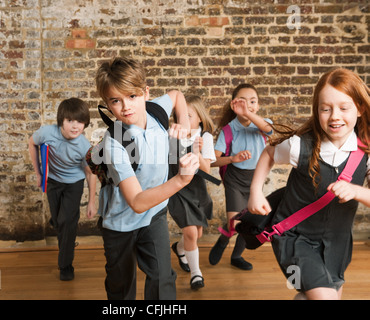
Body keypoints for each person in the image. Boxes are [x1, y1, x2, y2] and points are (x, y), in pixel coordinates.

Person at [248, 68, 370, 300]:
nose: (335, 116)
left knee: (319, 294)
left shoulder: (365, 152)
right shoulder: (298, 146)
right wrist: (255, 191)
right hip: (295, 238)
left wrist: (356, 190)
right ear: (317, 111)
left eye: (344, 108)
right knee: (326, 297)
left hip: (338, 243)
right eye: (325, 109)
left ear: (360, 109)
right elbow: (269, 153)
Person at [95, 57, 199, 300]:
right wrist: (181, 181)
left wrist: (183, 126)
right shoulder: (115, 143)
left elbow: (176, 95)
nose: (126, 106)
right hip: (120, 224)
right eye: (115, 101)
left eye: (132, 96)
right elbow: (137, 201)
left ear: (145, 93)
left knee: (163, 280)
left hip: (155, 214)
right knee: (122, 288)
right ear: (108, 105)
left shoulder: (156, 110)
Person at [28, 98, 96, 281]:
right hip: (52, 181)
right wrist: (39, 173)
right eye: (70, 121)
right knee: (60, 222)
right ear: (61, 121)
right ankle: (60, 223)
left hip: (73, 184)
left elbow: (91, 174)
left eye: (80, 122)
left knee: (67, 222)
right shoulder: (47, 132)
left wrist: (91, 202)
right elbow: (31, 143)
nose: (75, 126)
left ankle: (65, 265)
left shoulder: (84, 147)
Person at [209, 83, 273, 270]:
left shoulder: (262, 124)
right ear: (233, 105)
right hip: (235, 180)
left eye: (252, 102)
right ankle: (222, 241)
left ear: (258, 106)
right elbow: (212, 161)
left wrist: (248, 113)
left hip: (255, 181)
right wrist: (232, 158)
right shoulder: (228, 130)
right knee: (235, 224)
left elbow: (269, 130)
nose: (248, 105)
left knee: (249, 223)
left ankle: (236, 256)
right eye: (242, 102)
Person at [168, 95, 216, 290]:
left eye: (188, 115)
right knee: (189, 232)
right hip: (177, 189)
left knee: (196, 234)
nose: (184, 120)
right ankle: (197, 274)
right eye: (180, 116)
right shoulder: (171, 135)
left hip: (197, 190)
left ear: (200, 119)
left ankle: (179, 249)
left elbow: (206, 171)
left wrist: (196, 151)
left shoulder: (204, 137)